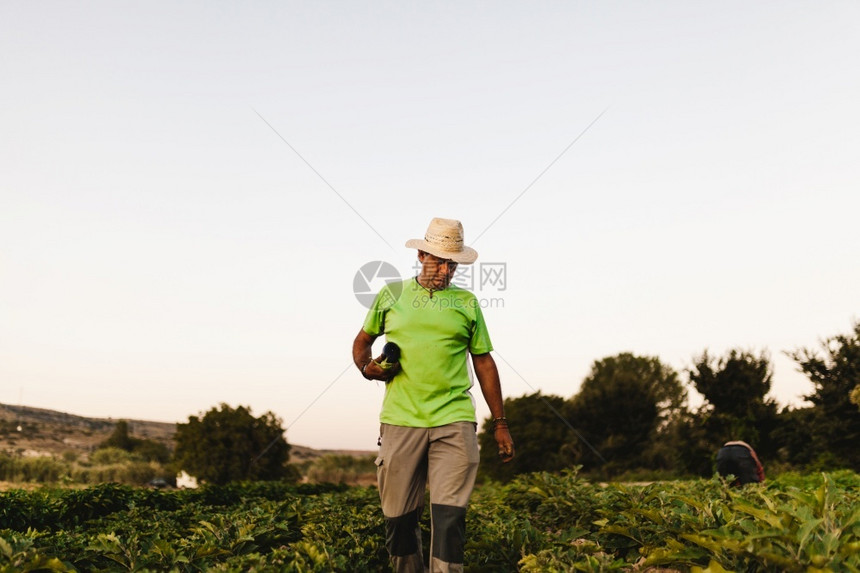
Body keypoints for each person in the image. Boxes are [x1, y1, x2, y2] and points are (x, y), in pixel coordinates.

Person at [352, 217, 515, 573]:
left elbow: (484, 362)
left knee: (449, 519)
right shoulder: (391, 295)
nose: (445, 270)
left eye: (452, 263)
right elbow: (362, 343)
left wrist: (500, 422)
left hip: (454, 420)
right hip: (399, 420)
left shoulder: (467, 303)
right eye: (439, 260)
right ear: (422, 255)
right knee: (398, 520)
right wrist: (368, 368)